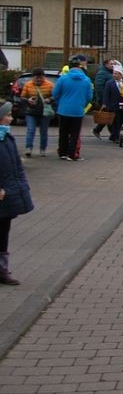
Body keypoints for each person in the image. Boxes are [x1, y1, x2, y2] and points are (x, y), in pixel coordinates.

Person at [0, 102, 33, 285]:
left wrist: (21, 186)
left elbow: (17, 167)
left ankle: (2, 270)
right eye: (8, 116)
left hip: (8, 193)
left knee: (4, 230)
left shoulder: (7, 138)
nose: (11, 119)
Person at [50, 54, 93, 161]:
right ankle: (72, 154)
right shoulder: (86, 80)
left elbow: (55, 93)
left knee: (63, 132)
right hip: (78, 110)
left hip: (63, 109)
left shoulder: (63, 79)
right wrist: (82, 104)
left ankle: (62, 153)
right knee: (75, 133)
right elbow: (89, 97)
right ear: (79, 67)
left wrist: (60, 101)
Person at [20, 68, 54, 158]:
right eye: (36, 78)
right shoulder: (28, 84)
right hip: (31, 111)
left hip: (44, 112)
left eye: (40, 77)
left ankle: (42, 149)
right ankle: (28, 148)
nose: (38, 79)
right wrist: (28, 100)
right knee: (30, 130)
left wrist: (49, 99)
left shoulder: (50, 85)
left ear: (43, 77)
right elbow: (22, 97)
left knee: (44, 131)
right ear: (33, 77)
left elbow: (54, 96)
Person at [91, 59, 116, 138]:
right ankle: (113, 134)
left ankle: (98, 130)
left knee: (108, 116)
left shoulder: (110, 73)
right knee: (109, 116)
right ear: (106, 65)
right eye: (111, 64)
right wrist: (102, 99)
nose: (113, 65)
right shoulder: (102, 73)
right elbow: (99, 87)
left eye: (113, 64)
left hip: (110, 99)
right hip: (104, 99)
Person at [101, 66, 123, 143]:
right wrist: (104, 104)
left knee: (120, 121)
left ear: (121, 75)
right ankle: (115, 136)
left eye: (116, 73)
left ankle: (115, 135)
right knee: (114, 122)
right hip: (112, 105)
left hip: (122, 105)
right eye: (114, 73)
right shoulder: (109, 83)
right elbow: (106, 94)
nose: (114, 75)